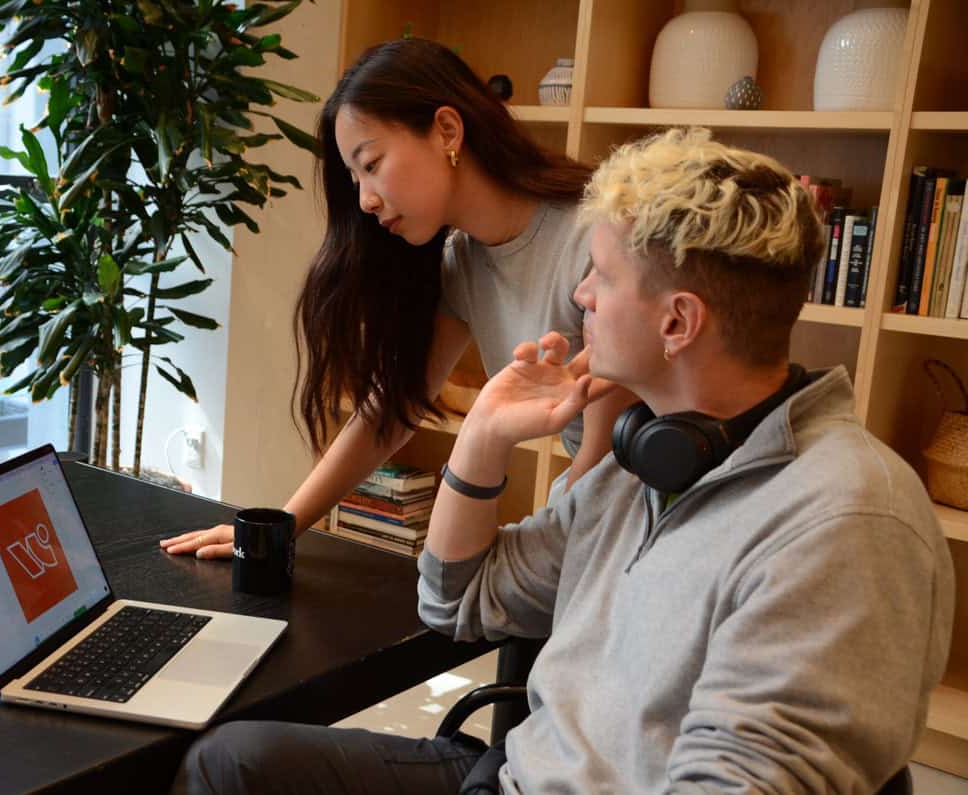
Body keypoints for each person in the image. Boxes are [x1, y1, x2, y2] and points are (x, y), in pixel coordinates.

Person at [169, 127, 956, 793]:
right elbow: (457, 601)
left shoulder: (847, 520)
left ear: (678, 321)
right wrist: (481, 435)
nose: (578, 296)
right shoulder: (645, 460)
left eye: (601, 277)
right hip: (513, 771)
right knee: (226, 763)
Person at [161, 38, 635, 560]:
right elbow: (393, 405)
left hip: (647, 517)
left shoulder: (598, 244)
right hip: (602, 514)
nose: (365, 199)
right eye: (355, 177)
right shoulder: (464, 261)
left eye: (372, 163)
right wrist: (282, 524)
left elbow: (603, 469)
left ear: (447, 131)